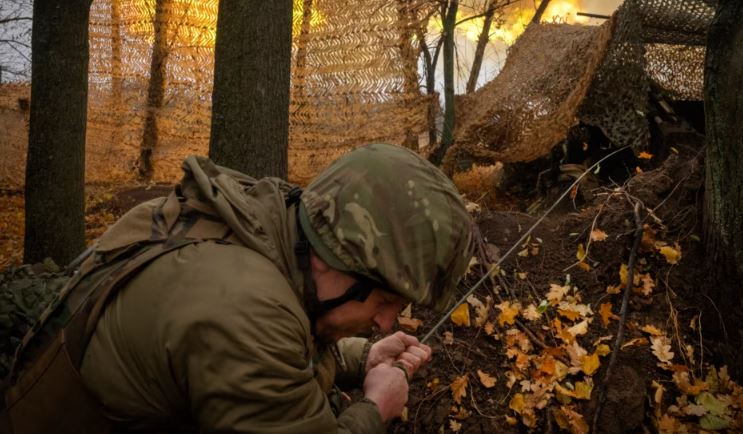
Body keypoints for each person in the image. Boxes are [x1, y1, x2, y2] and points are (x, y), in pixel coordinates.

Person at [1, 143, 474, 434]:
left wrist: (360, 359)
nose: (388, 321)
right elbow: (258, 340)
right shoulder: (244, 310)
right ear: (338, 261)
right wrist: (375, 408)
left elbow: (284, 340)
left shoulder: (259, 223)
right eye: (386, 300)